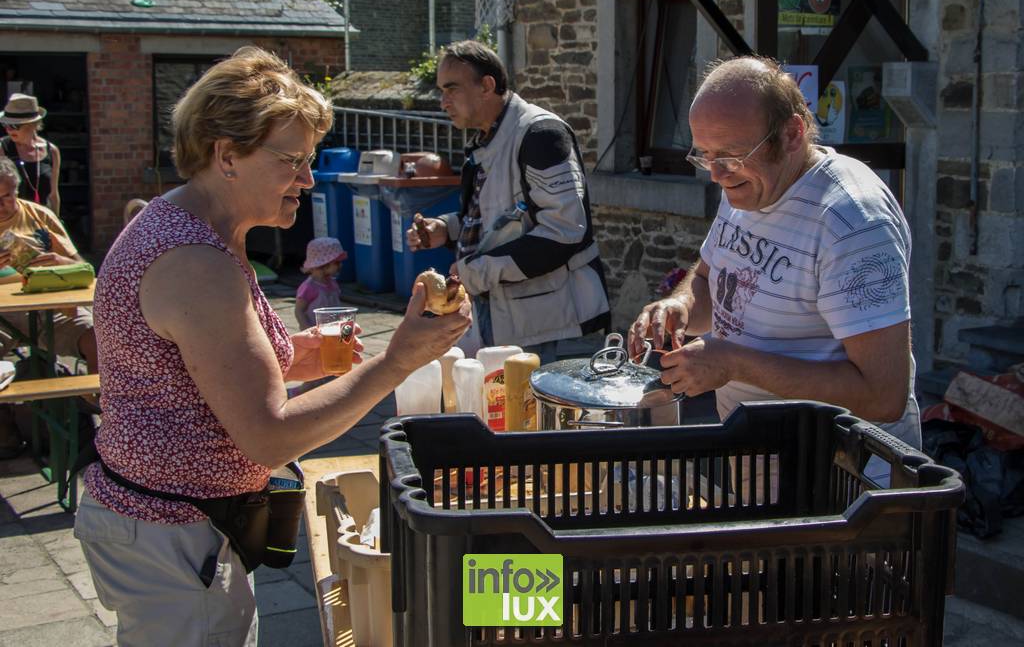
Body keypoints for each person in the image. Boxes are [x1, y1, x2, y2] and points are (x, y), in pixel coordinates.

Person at [73, 47, 470, 646]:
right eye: (292, 161)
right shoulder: (196, 262)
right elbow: (270, 435)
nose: (308, 180)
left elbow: (200, 364)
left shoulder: (205, 231)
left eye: (310, 160)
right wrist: (398, 361)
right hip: (171, 533)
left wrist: (304, 351)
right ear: (226, 155)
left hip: (174, 525)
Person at [628, 57, 920, 473]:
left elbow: (883, 395)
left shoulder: (852, 221)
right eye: (705, 156)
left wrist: (734, 363)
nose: (716, 175)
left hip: (843, 481)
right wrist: (682, 307)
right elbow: (710, 276)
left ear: (792, 134)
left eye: (730, 155)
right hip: (765, 463)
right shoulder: (751, 185)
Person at [407, 40, 609, 363]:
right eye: (441, 91)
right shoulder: (489, 139)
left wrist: (474, 272)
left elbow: (564, 231)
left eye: (452, 89)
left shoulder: (541, 135)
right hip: (506, 322)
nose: (443, 101)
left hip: (551, 330)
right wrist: (445, 228)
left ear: (487, 86)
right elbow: (500, 219)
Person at [0, 155, 96, 457]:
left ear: (17, 191)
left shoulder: (39, 216)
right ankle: (5, 433)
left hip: (52, 308)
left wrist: (62, 261)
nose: (2, 206)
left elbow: (81, 266)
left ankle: (103, 420)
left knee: (97, 336)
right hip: (4, 314)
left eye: (7, 197)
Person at [1, 93, 62, 214]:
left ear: (32, 125)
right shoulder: (2, 148)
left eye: (14, 126)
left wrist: (57, 224)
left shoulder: (52, 151)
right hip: (12, 222)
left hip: (41, 222)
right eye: (6, 125)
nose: (8, 130)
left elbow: (53, 195)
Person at [294, 236, 347, 330]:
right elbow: (299, 310)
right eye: (337, 263)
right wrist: (306, 328)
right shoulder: (309, 287)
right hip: (315, 333)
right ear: (323, 265)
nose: (340, 265)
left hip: (333, 330)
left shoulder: (332, 283)